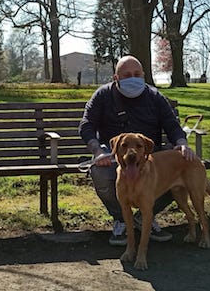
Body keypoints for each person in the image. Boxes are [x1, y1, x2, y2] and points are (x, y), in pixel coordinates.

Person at [78, 55, 196, 246]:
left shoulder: (155, 96)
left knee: (174, 171)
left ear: (143, 75)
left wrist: (182, 143)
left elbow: (172, 125)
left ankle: (144, 216)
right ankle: (122, 220)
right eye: (127, 75)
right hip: (114, 155)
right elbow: (86, 125)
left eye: (137, 74)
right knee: (100, 172)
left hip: (150, 156)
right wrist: (97, 151)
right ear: (116, 78)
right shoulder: (102, 95)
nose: (133, 78)